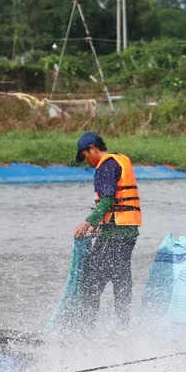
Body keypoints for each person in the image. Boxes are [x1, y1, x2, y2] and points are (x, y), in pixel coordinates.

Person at [72, 132, 142, 325]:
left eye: (85, 156)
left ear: (92, 149)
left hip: (114, 234)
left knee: (90, 282)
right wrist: (101, 223)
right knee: (121, 279)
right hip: (128, 231)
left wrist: (89, 222)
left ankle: (84, 330)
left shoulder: (105, 166)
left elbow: (108, 199)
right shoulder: (120, 160)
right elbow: (114, 202)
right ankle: (123, 328)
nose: (86, 161)